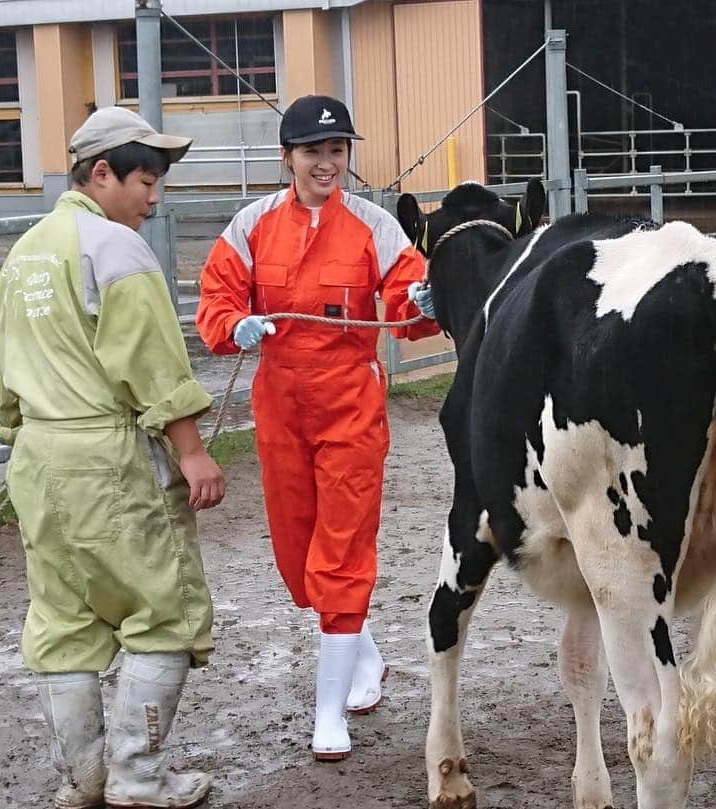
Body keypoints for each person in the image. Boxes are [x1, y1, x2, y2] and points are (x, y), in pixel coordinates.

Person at [0, 106, 225, 809]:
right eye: (145, 180)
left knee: (62, 619)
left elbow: (2, 372)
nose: (155, 198)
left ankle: (83, 779)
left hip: (36, 453)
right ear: (100, 173)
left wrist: (25, 436)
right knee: (163, 606)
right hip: (108, 454)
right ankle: (140, 777)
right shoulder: (116, 249)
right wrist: (192, 451)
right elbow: (150, 362)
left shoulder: (24, 251)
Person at [195, 94, 439, 761]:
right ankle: (364, 653)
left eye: (337, 151)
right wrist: (231, 325)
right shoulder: (251, 225)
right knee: (299, 560)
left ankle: (327, 715)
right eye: (313, 151)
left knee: (340, 553)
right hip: (279, 407)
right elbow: (216, 298)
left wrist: (422, 299)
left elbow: (406, 300)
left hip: (350, 408)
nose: (327, 163)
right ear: (288, 157)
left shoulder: (373, 226)